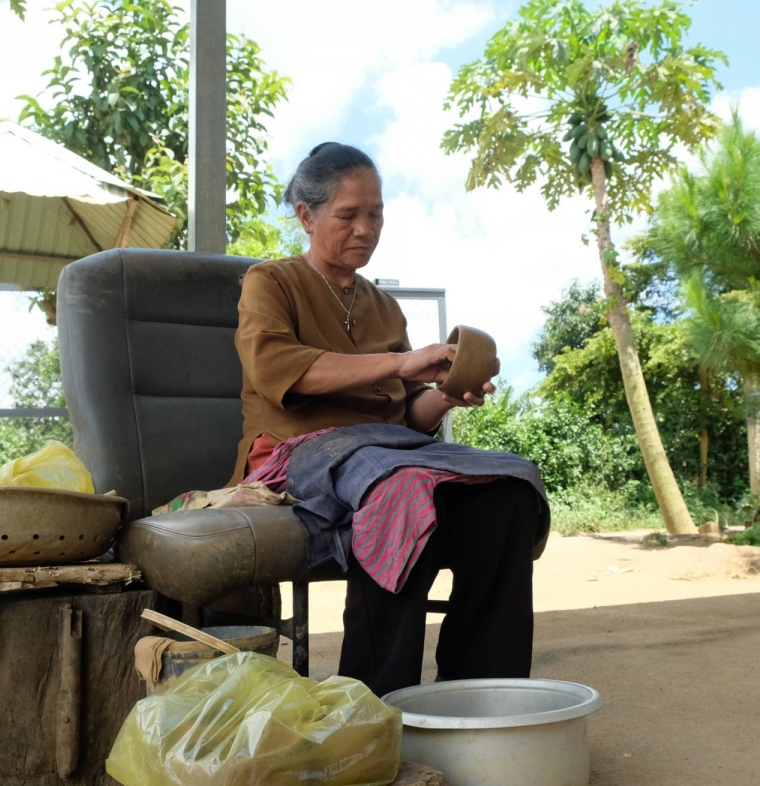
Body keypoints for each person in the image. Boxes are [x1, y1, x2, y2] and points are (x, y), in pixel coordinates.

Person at [232, 142, 541, 697]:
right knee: (402, 492)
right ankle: (375, 702)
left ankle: (478, 696)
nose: (365, 229)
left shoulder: (384, 306)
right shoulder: (271, 282)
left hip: (384, 451)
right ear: (306, 215)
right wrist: (402, 361)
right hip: (297, 451)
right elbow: (278, 367)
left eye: (374, 214)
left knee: (509, 488)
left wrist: (448, 394)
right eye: (348, 215)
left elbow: (406, 415)